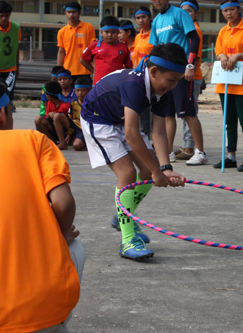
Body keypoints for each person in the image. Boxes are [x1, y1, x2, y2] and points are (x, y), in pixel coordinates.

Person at [80, 43, 187, 260]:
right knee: (127, 174)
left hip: (118, 120)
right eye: (172, 80)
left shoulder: (163, 88)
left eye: (178, 80)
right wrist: (157, 171)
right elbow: (131, 134)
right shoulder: (134, 84)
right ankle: (128, 239)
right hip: (98, 120)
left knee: (147, 171)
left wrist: (164, 168)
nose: (174, 86)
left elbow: (158, 132)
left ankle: (122, 215)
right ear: (154, 72)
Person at [0, 79, 85, 332]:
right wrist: (58, 234)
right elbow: (63, 203)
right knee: (75, 244)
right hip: (39, 306)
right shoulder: (32, 140)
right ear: (2, 115)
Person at [149, 0, 208, 166]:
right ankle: (167, 152)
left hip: (180, 72)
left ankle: (200, 152)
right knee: (167, 114)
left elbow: (194, 38)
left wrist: (189, 65)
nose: (157, 1)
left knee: (188, 112)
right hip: (164, 73)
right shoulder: (156, 21)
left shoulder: (180, 13)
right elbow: (155, 48)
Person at [212, 0, 243, 172]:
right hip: (225, 83)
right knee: (229, 122)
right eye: (225, 10)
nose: (228, 13)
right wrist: (223, 56)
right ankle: (230, 156)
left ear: (239, 9)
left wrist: (238, 55)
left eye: (232, 9)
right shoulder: (223, 31)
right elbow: (218, 51)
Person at [175, 0, 204, 162]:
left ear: (196, 13)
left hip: (192, 76)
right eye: (183, 11)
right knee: (184, 113)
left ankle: (191, 148)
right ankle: (188, 146)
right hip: (184, 74)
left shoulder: (195, 31)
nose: (186, 14)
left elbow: (196, 55)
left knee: (189, 112)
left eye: (189, 11)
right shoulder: (184, 29)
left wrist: (190, 67)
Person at [80, 16, 133, 86]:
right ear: (101, 32)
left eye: (113, 32)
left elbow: (129, 67)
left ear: (118, 32)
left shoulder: (123, 47)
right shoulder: (94, 45)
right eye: (107, 32)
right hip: (99, 84)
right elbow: (82, 60)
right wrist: (94, 71)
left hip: (117, 85)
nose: (110, 35)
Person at [57, 1, 95, 83]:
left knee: (85, 95)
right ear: (65, 13)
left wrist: (94, 69)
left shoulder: (88, 27)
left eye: (74, 12)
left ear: (79, 13)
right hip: (68, 71)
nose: (71, 15)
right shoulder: (62, 31)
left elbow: (94, 49)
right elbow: (61, 52)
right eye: (69, 12)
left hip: (86, 70)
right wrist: (58, 71)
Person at [132, 6, 154, 138]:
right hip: (139, 77)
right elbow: (136, 58)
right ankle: (142, 138)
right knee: (141, 109)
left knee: (150, 110)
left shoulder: (154, 35)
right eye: (138, 18)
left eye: (143, 17)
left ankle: (149, 139)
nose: (141, 20)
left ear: (150, 17)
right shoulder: (138, 36)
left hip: (151, 77)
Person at [34, 81, 72, 150]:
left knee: (57, 116)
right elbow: (46, 119)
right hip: (55, 129)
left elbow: (72, 122)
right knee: (38, 119)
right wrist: (49, 115)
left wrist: (70, 134)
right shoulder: (50, 103)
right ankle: (51, 141)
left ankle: (62, 143)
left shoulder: (65, 105)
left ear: (48, 96)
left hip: (67, 132)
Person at [0, 1, 20, 101]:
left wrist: (18, 66)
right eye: (1, 16)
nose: (4, 18)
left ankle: (9, 114)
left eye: (7, 16)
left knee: (8, 97)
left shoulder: (16, 27)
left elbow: (17, 47)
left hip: (10, 69)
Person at [64, 77, 91, 151]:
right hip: (80, 129)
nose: (80, 93)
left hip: (92, 128)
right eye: (77, 90)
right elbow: (71, 120)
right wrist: (70, 134)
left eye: (83, 90)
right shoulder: (73, 103)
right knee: (77, 146)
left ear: (89, 91)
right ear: (74, 91)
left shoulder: (93, 103)